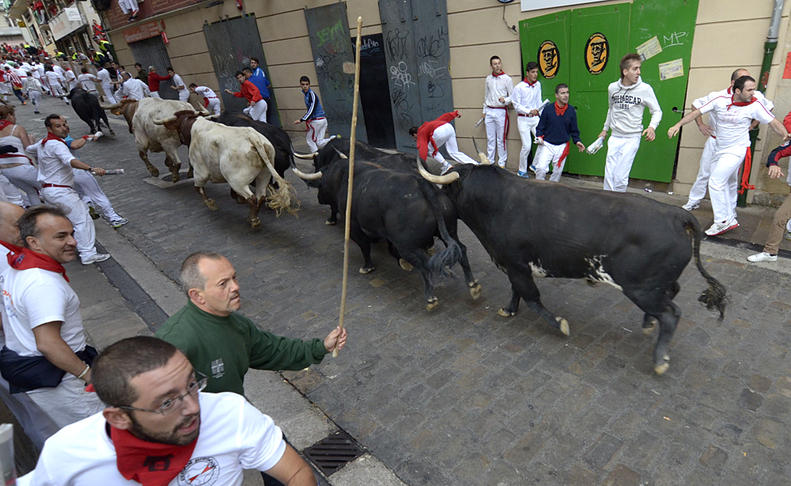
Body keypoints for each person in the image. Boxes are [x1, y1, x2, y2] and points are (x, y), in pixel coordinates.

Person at [18, 336, 318, 486]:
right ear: (118, 416)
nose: (192, 407)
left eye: (191, 385)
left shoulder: (231, 413)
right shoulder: (67, 454)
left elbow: (296, 472)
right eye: (166, 402)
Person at [156, 252, 347, 396]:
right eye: (223, 284)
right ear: (197, 295)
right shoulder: (173, 343)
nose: (236, 287)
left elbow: (274, 351)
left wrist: (321, 347)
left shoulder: (238, 325)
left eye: (234, 277)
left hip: (235, 419)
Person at [0, 206, 105, 431]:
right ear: (34, 242)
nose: (73, 242)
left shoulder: (19, 267)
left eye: (72, 234)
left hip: (49, 374)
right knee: (96, 434)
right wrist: (88, 375)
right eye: (61, 236)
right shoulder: (43, 284)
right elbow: (48, 343)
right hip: (63, 378)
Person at [668, 75, 790, 236]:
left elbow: (773, 122)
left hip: (736, 150)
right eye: (749, 90)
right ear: (737, 90)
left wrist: (785, 134)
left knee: (715, 181)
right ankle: (730, 217)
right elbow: (696, 111)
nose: (753, 93)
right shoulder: (719, 100)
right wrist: (678, 124)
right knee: (725, 183)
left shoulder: (755, 105)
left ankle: (722, 221)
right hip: (720, 149)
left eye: (754, 89)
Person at [0, 202, 60, 451]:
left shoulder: (9, 250)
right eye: (18, 225)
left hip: (18, 350)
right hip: (18, 353)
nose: (24, 232)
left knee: (33, 414)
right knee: (43, 418)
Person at [681, 69, 773, 211]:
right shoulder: (718, 96)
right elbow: (696, 105)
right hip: (714, 140)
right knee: (704, 172)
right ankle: (694, 200)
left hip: (734, 145)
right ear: (733, 83)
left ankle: (729, 209)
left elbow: (768, 109)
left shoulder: (754, 96)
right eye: (743, 79)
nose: (747, 82)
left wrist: (752, 125)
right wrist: (701, 125)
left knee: (731, 179)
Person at [33, 114, 110, 263]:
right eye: (58, 126)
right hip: (60, 191)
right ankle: (88, 254)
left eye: (64, 124)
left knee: (68, 220)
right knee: (82, 219)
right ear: (49, 128)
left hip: (49, 190)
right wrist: (91, 168)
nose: (64, 128)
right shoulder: (57, 144)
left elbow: (30, 149)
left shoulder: (42, 143)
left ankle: (65, 248)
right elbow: (71, 161)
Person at [598, 53, 662, 192]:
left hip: (632, 138)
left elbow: (657, 111)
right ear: (625, 71)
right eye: (635, 69)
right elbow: (611, 109)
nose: (639, 72)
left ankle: (619, 204)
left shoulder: (645, 89)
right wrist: (605, 129)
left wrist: (652, 127)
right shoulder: (612, 88)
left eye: (639, 68)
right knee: (609, 175)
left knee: (620, 177)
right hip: (614, 137)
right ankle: (607, 203)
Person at [62, 133, 128, 229]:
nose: (65, 127)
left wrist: (89, 138)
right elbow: (74, 145)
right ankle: (114, 218)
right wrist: (85, 137)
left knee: (81, 192)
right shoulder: (61, 139)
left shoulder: (48, 143)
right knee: (98, 195)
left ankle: (88, 204)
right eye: (62, 125)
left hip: (66, 175)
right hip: (79, 171)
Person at [533, 83, 585, 182]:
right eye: (562, 93)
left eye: (567, 92)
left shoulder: (571, 111)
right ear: (556, 95)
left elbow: (574, 130)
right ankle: (539, 188)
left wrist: (577, 141)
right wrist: (539, 136)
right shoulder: (548, 109)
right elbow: (540, 127)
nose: (566, 95)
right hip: (547, 144)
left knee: (557, 172)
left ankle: (552, 192)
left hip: (562, 146)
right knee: (540, 168)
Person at [505, 61, 543, 177]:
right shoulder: (519, 87)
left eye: (536, 72)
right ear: (527, 73)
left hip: (535, 119)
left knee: (542, 141)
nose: (535, 74)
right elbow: (516, 106)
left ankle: (534, 165)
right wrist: (529, 111)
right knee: (527, 146)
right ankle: (522, 170)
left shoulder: (538, 85)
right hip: (523, 120)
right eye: (533, 72)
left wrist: (542, 115)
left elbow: (538, 101)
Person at [409, 110, 478, 174]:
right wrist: (454, 114)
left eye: (414, 137)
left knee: (431, 150)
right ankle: (476, 164)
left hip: (439, 132)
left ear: (415, 134)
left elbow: (423, 148)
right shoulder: (428, 125)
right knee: (454, 152)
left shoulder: (421, 134)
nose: (415, 139)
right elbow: (443, 118)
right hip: (448, 127)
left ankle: (446, 165)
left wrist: (421, 165)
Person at [0, 105, 41, 206]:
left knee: (31, 192)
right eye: (14, 115)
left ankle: (38, 214)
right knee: (48, 186)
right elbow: (29, 149)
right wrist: (32, 141)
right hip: (21, 166)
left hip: (5, 171)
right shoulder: (17, 128)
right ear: (9, 115)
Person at [482, 55, 514, 168]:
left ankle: (501, 163)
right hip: (490, 111)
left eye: (499, 63)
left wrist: (505, 100)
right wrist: (484, 110)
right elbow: (486, 96)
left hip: (501, 111)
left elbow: (513, 96)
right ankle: (490, 161)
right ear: (491, 66)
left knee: (501, 139)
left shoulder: (507, 79)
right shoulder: (488, 79)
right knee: (490, 139)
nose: (497, 65)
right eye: (495, 64)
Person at [293, 75, 334, 151]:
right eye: (303, 84)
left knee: (310, 140)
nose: (305, 86)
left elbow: (312, 108)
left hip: (317, 121)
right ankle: (333, 139)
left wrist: (302, 119)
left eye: (307, 84)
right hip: (322, 120)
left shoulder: (311, 94)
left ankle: (316, 158)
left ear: (309, 85)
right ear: (300, 85)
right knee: (319, 142)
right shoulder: (307, 95)